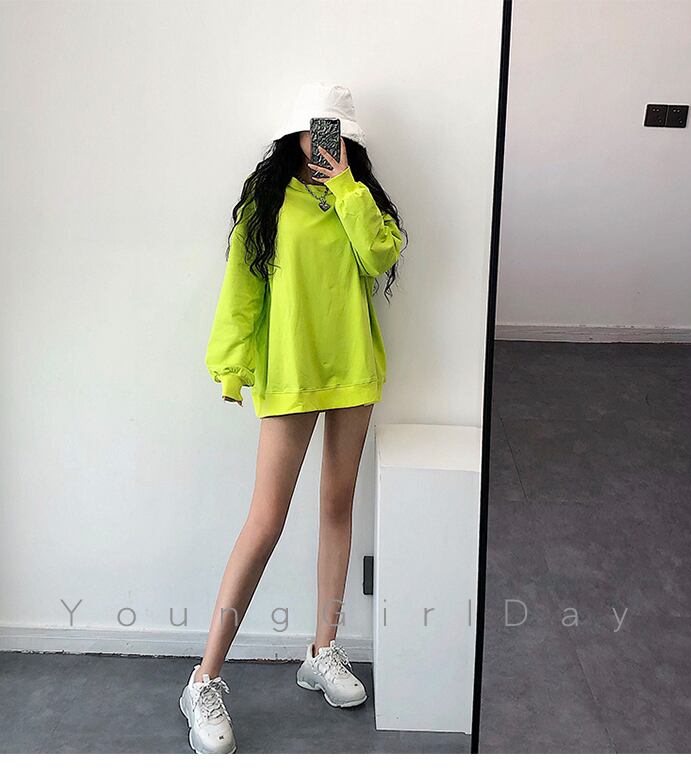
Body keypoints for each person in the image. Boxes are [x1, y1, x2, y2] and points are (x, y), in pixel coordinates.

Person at [180, 83, 407, 754]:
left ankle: (322, 650)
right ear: (294, 133)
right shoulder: (267, 200)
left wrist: (347, 187)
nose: (325, 141)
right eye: (316, 129)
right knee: (266, 520)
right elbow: (240, 289)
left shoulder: (355, 197)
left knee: (337, 507)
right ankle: (203, 679)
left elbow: (381, 256)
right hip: (291, 372)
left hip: (353, 370)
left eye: (337, 132)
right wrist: (230, 366)